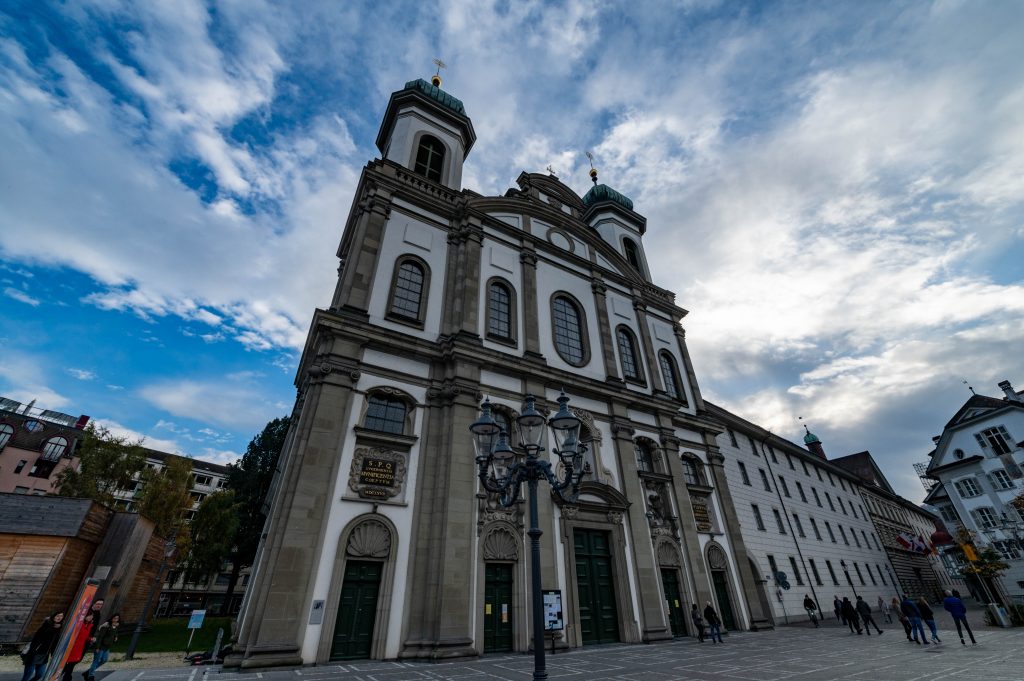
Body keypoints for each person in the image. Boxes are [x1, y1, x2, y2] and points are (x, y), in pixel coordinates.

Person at [21, 612, 64, 681]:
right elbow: (42, 635)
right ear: (53, 616)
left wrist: (53, 654)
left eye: (61, 616)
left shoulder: (58, 628)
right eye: (57, 616)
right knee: (27, 676)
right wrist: (54, 626)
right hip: (34, 653)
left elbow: (54, 643)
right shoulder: (47, 624)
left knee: (40, 675)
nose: (59, 618)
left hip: (44, 655)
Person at [61, 611, 96, 681]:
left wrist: (91, 639)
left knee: (71, 666)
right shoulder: (79, 624)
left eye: (92, 616)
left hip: (79, 648)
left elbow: (84, 637)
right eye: (89, 615)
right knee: (69, 667)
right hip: (73, 648)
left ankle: (64, 675)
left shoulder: (88, 626)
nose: (90, 617)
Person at [83, 613, 119, 681]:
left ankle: (88, 672)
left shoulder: (116, 627)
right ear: (112, 618)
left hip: (107, 647)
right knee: (96, 661)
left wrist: (116, 638)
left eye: (117, 618)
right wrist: (97, 647)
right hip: (100, 646)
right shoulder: (106, 626)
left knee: (104, 660)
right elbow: (100, 637)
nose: (116, 620)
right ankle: (91, 676)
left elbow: (114, 635)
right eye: (114, 618)